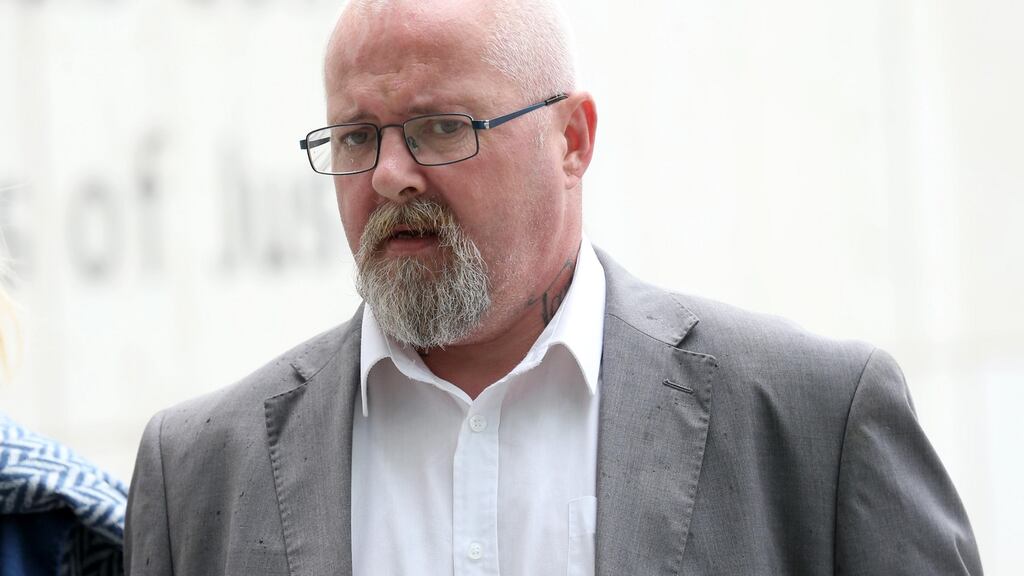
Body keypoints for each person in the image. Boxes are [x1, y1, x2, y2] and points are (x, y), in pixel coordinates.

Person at [125, 0, 982, 574]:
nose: (390, 175)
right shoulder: (197, 472)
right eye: (356, 138)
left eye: (439, 127)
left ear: (572, 139)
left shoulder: (812, 422)